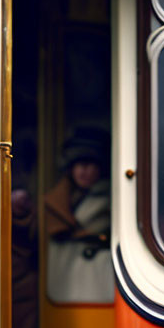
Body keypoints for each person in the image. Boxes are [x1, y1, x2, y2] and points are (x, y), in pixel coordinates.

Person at [43, 126, 114, 303]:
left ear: (102, 168)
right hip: (59, 290)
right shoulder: (56, 200)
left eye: (91, 164)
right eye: (78, 163)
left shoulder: (113, 202)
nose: (84, 170)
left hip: (96, 288)